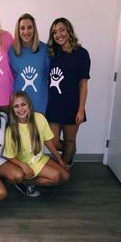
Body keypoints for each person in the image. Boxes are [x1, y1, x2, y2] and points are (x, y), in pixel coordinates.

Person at [4, 91, 69, 197]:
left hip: (40, 158)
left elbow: (47, 140)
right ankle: (24, 182)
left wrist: (59, 159)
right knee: (56, 177)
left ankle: (30, 181)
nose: (20, 109)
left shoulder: (39, 118)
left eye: (23, 104)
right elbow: (9, 156)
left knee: (65, 177)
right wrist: (23, 166)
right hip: (27, 163)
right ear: (12, 110)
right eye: (16, 106)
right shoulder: (11, 130)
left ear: (29, 105)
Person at [46, 18, 91, 166]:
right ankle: (70, 150)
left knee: (70, 140)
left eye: (62, 30)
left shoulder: (82, 54)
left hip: (72, 105)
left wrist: (81, 110)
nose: (58, 34)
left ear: (69, 31)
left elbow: (83, 85)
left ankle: (64, 167)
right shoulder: (51, 54)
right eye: (54, 32)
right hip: (54, 105)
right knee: (53, 141)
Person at [9, 13, 50, 114]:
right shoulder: (12, 51)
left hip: (40, 102)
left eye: (29, 27)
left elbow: (48, 76)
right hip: (20, 105)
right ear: (18, 31)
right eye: (22, 28)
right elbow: (10, 77)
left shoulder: (45, 49)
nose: (26, 31)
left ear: (34, 29)